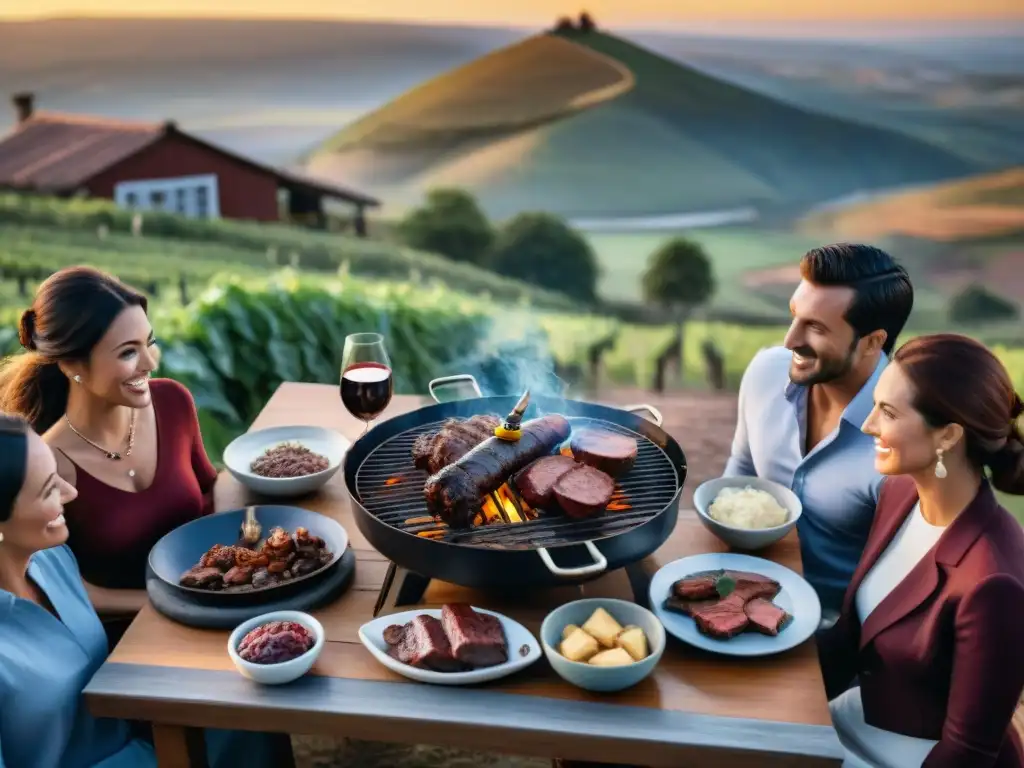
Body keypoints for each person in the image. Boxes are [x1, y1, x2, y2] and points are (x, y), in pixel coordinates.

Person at [0, 413, 288, 768]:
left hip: (146, 739)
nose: (70, 492)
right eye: (48, 489)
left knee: (254, 707)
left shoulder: (52, 557)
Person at [820, 333, 1024, 768]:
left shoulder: (995, 584)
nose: (868, 424)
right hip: (859, 721)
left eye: (888, 412)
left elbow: (967, 755)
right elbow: (848, 639)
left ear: (948, 435)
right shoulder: (899, 493)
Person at [0, 266, 218, 639]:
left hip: (216, 604)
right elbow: (61, 588)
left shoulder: (172, 402)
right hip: (126, 641)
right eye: (128, 352)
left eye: (149, 342)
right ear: (72, 365)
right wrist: (178, 605)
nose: (150, 362)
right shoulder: (47, 467)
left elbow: (210, 490)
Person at [723, 244, 914, 614]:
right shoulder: (765, 372)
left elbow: (900, 588)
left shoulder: (904, 442)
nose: (790, 340)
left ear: (873, 342)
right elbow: (740, 473)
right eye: (795, 315)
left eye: (815, 327)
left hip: (833, 637)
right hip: (735, 599)